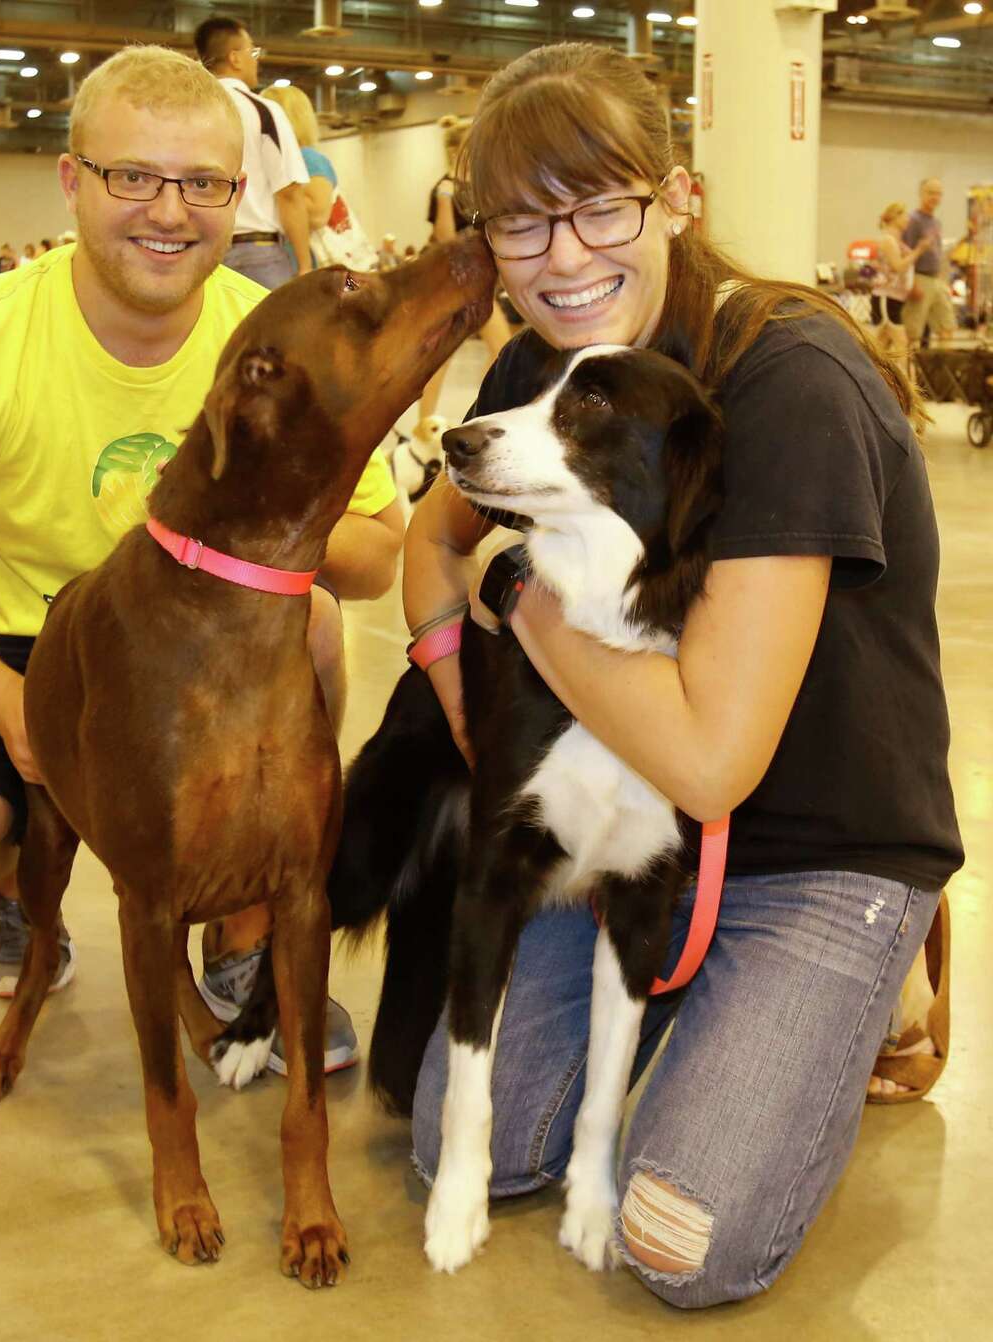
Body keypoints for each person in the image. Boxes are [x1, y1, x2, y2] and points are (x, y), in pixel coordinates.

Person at [403, 43, 961, 1307]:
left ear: (680, 198)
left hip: (811, 839)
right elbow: (428, 548)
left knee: (679, 1241)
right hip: (620, 820)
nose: (564, 255)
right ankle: (705, 1008)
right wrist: (450, 658)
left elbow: (713, 758)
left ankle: (882, 957)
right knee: (466, 1155)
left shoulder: (789, 384)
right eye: (521, 223)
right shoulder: (532, 370)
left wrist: (517, 595)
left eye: (601, 206)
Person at [0, 44, 400, 1074]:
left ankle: (243, 925)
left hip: (206, 642)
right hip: (5, 637)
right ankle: (18, 899)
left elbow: (373, 558)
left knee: (311, 619)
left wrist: (277, 525)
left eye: (203, 184)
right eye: (132, 176)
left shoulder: (276, 343)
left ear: (241, 196)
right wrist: (16, 710)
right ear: (70, 181)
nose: (169, 213)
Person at [194, 15, 312, 288]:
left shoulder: (185, 110)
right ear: (235, 57)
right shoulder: (263, 110)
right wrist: (304, 264)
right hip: (259, 255)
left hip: (200, 252)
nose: (256, 59)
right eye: (253, 52)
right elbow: (289, 193)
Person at [415, 115, 512, 435]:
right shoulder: (444, 188)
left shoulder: (480, 188)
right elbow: (444, 236)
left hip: (476, 281)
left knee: (500, 348)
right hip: (451, 281)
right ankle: (424, 424)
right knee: (442, 358)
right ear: (458, 149)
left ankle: (480, 412)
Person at [263, 82, 379, 272]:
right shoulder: (296, 159)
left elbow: (318, 214)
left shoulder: (307, 159)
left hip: (314, 267)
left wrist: (269, 197)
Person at [870, 201, 927, 378]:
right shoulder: (888, 240)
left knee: (880, 346)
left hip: (895, 298)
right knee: (902, 344)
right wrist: (918, 251)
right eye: (904, 215)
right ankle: (909, 386)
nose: (908, 219)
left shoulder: (897, 241)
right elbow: (897, 266)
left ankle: (874, 380)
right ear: (894, 217)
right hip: (886, 297)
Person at [901, 177, 955, 349]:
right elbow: (906, 252)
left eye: (938, 194)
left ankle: (940, 372)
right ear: (921, 194)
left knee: (947, 325)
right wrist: (912, 283)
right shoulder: (913, 220)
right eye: (931, 192)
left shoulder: (936, 222)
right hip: (919, 278)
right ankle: (909, 372)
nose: (935, 197)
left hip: (936, 280)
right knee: (913, 332)